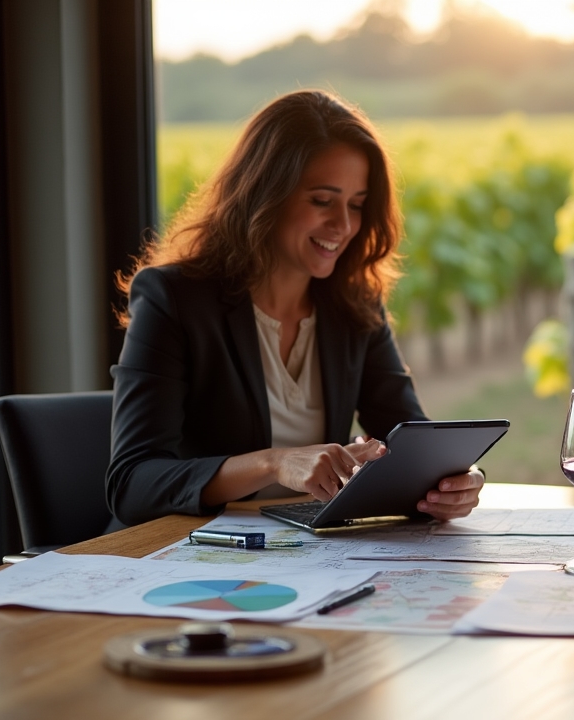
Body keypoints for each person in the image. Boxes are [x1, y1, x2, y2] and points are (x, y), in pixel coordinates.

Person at [107, 90, 484, 527]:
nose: (343, 225)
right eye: (322, 201)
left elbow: (410, 441)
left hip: (305, 554)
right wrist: (274, 463)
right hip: (186, 555)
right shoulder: (172, 298)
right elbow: (132, 484)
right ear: (264, 194)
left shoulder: (354, 305)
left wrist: (453, 483)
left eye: (357, 205)